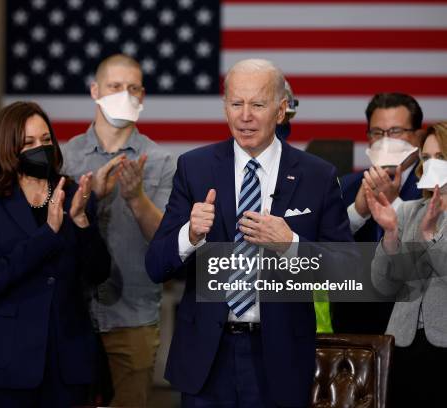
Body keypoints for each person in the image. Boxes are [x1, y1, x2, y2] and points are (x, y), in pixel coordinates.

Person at [145, 59, 352, 408]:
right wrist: (190, 235)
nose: (245, 116)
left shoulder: (317, 176)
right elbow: (155, 265)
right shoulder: (194, 168)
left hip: (280, 356)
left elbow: (347, 271)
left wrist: (291, 246)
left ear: (281, 110)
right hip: (206, 358)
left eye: (257, 104)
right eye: (236, 104)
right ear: (225, 107)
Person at [0, 101, 110, 407]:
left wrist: (81, 222)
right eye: (28, 143)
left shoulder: (74, 194)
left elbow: (98, 273)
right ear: (8, 147)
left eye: (45, 140)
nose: (39, 148)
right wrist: (48, 233)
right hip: (4, 361)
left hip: (66, 360)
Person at [61, 54, 175, 406]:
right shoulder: (65, 158)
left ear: (142, 97)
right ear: (95, 91)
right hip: (70, 317)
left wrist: (136, 198)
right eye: (114, 87)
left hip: (133, 319)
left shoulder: (160, 162)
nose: (124, 95)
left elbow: (165, 244)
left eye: (133, 88)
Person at [368, 122, 447, 408]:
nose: (432, 165)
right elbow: (383, 285)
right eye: (426, 158)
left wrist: (430, 237)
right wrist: (390, 236)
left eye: (441, 157)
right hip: (402, 344)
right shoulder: (410, 211)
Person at [332, 93, 424, 334]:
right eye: (377, 133)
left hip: (413, 329)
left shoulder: (432, 187)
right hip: (352, 329)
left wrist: (394, 203)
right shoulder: (347, 186)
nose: (386, 141)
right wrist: (358, 212)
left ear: (417, 136)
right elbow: (323, 250)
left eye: (395, 132)